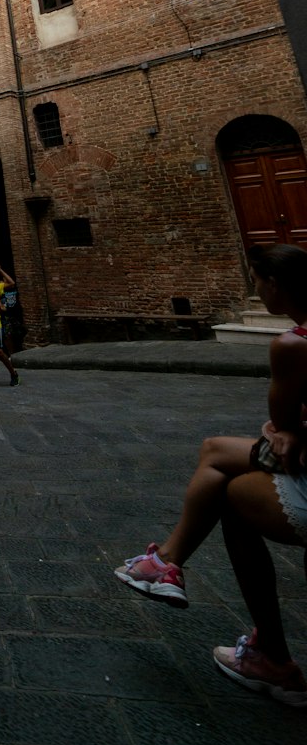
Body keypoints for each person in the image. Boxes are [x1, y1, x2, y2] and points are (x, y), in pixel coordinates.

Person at [114, 243, 307, 707]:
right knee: (216, 451)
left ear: (274, 284)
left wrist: (286, 430)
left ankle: (270, 657)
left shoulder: (292, 345)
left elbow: (281, 429)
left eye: (257, 280)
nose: (255, 289)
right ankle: (167, 564)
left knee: (233, 494)